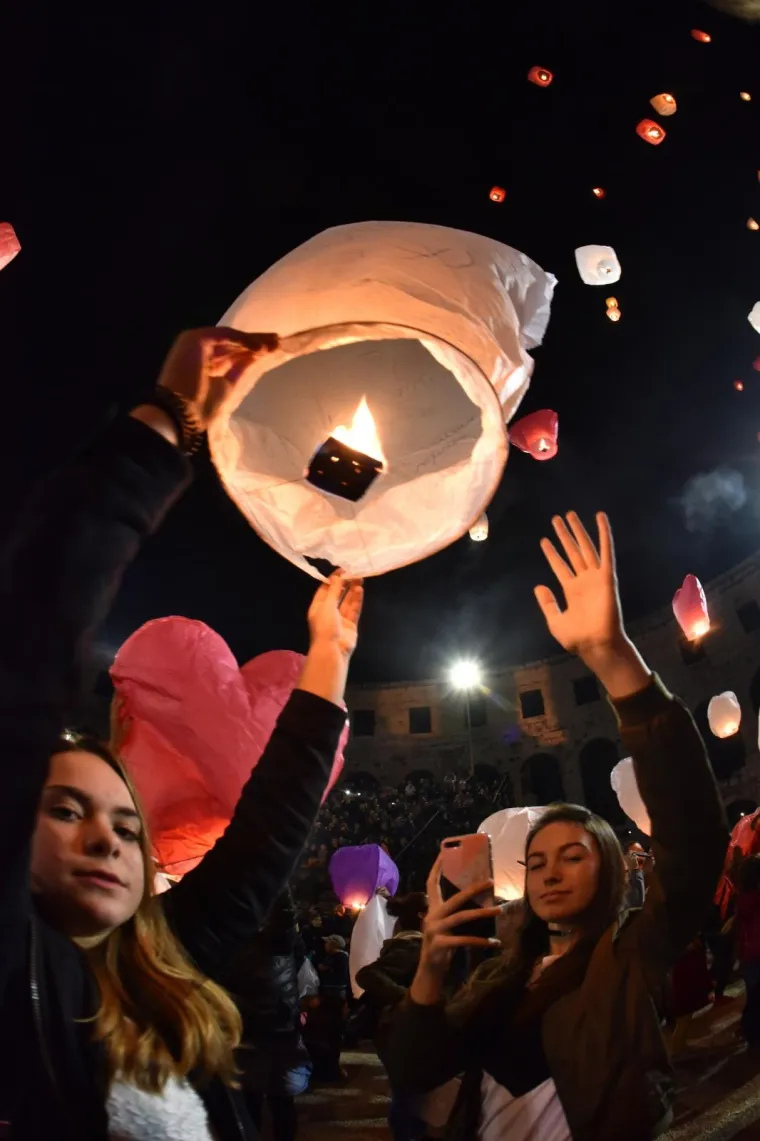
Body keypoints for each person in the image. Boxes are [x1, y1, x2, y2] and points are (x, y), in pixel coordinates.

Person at [0, 327, 364, 1141]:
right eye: (66, 811)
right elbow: (25, 645)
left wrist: (330, 658)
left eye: (127, 825)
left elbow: (267, 830)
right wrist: (165, 424)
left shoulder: (173, 963)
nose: (106, 836)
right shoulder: (17, 976)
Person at [387, 511, 727, 1141]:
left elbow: (694, 837)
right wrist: (430, 968)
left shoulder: (626, 956)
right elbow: (414, 1068)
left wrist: (614, 659)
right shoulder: (497, 974)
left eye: (572, 855)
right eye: (537, 861)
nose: (549, 874)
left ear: (609, 866)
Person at [217, 889, 311, 1141]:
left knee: (253, 1103)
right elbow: (287, 921)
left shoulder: (229, 950)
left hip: (249, 1034)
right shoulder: (278, 945)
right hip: (275, 1032)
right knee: (279, 1103)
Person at [356, 892, 429, 1141]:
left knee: (409, 1097)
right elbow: (368, 975)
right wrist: (411, 998)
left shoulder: (413, 942)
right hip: (403, 1033)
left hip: (401, 1033)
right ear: (422, 915)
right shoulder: (412, 946)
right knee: (409, 1100)